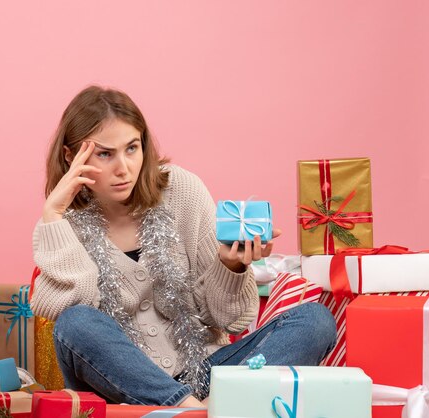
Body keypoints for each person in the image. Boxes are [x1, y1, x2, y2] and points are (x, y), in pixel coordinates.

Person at [31, 85, 336, 407]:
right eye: (105, 154)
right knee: (76, 321)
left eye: (132, 148)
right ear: (70, 156)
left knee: (314, 321)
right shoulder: (59, 225)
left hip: (207, 372)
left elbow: (230, 321)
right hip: (122, 388)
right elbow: (70, 316)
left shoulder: (181, 190)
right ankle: (203, 411)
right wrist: (53, 216)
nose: (123, 168)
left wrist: (231, 267)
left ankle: (204, 409)